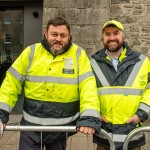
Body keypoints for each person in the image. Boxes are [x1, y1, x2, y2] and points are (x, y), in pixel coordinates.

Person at [0, 17, 101, 150]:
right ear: (46, 34)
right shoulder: (31, 53)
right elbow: (10, 84)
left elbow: (88, 87)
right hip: (31, 127)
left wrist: (89, 117)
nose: (58, 39)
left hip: (61, 129)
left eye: (62, 35)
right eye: (54, 34)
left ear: (69, 37)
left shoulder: (78, 55)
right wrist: (1, 114)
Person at [91, 20, 150, 150]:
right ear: (102, 37)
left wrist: (141, 114)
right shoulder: (92, 63)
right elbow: (86, 92)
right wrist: (93, 113)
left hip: (132, 133)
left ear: (123, 36)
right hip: (105, 134)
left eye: (116, 33)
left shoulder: (142, 61)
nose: (112, 38)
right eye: (107, 34)